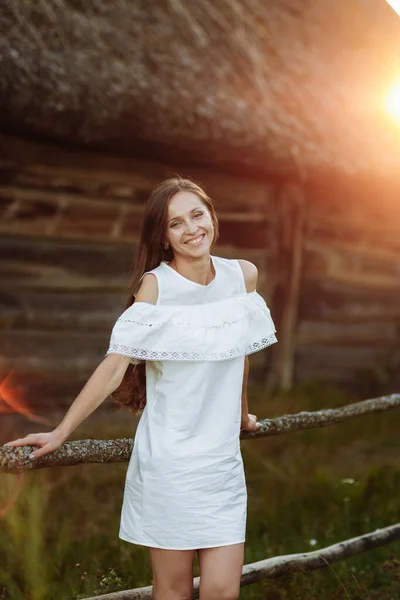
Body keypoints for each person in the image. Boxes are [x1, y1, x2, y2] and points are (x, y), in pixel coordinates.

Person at [4, 177, 277, 600]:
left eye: (197, 215)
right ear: (163, 238)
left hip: (222, 463)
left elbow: (240, 355)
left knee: (223, 592)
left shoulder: (242, 276)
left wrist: (241, 417)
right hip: (170, 462)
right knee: (173, 591)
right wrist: (61, 432)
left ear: (212, 216)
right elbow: (115, 365)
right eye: (175, 224)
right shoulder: (157, 286)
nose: (191, 229)